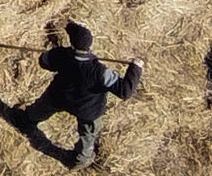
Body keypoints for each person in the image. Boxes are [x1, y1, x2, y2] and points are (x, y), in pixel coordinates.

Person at [18, 20, 142, 167]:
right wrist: (135, 69)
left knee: (41, 108)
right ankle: (80, 160)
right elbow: (125, 91)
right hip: (88, 109)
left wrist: (52, 53)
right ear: (89, 45)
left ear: (72, 43)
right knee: (88, 135)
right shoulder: (100, 71)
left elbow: (44, 62)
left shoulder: (62, 55)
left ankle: (25, 121)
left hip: (59, 97)